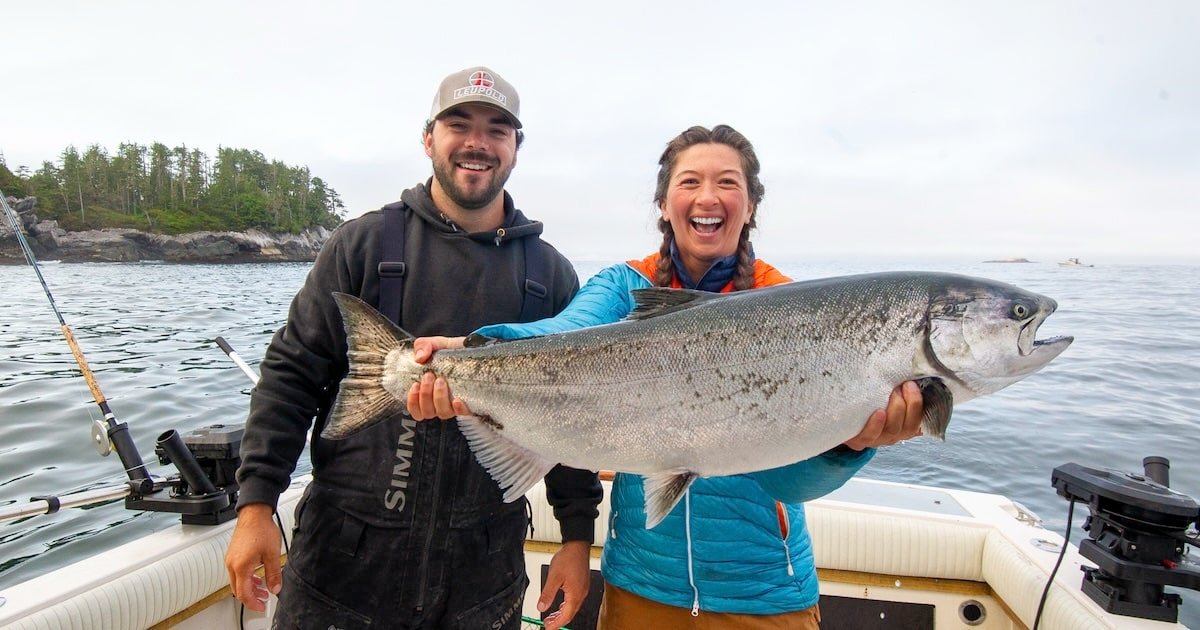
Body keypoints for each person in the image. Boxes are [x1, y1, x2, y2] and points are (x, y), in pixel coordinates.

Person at [407, 124, 925, 629]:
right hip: (640, 589)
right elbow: (560, 335)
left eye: (728, 183)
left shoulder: (787, 310)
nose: (708, 197)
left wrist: (850, 445)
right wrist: (476, 351)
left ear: (750, 207)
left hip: (764, 595)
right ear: (663, 203)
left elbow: (786, 478)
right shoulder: (623, 288)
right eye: (690, 181)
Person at [223, 66, 602, 630]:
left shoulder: (550, 276)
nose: (477, 142)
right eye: (459, 124)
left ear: (516, 148)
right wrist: (255, 504)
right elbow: (291, 375)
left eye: (498, 129)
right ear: (429, 138)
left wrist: (575, 536)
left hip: (483, 569)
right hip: (341, 565)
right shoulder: (364, 244)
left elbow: (572, 416)